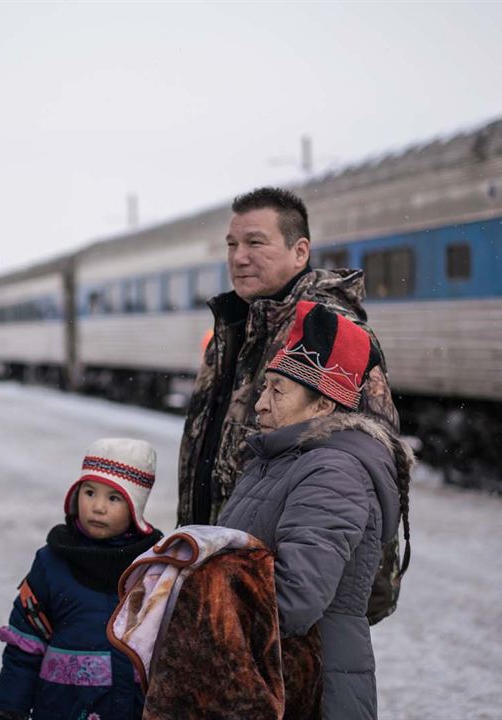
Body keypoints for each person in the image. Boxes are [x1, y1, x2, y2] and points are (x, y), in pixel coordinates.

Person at [218, 301, 411, 720]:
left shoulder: (334, 471)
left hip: (314, 689)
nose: (260, 405)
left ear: (324, 406)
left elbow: (294, 597)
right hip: (278, 680)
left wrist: (204, 614)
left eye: (277, 391)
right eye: (264, 388)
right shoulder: (281, 459)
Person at [178, 185, 400, 526]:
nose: (238, 257)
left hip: (284, 564)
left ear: (300, 252)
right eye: (232, 244)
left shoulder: (329, 333)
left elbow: (363, 476)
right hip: (222, 557)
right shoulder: (233, 328)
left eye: (255, 243)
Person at [0, 438, 165, 720]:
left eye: (114, 498)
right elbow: (25, 646)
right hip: (61, 709)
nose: (98, 507)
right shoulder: (51, 563)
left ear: (136, 506)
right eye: (89, 492)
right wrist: (10, 709)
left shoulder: (153, 568)